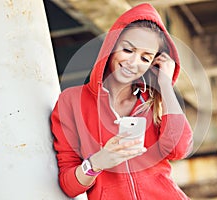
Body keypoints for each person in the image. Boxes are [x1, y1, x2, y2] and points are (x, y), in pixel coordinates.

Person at [51, 3, 193, 200]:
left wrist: (166, 86)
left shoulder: (151, 102)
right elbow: (69, 185)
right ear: (112, 45)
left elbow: (179, 149)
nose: (134, 63)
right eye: (128, 50)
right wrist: (96, 163)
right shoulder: (72, 102)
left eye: (145, 58)